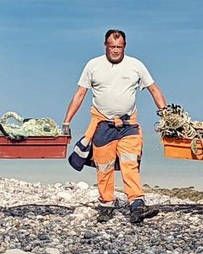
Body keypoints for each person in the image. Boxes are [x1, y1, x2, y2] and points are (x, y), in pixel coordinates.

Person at [62, 29, 169, 224]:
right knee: (104, 166)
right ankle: (106, 204)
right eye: (112, 47)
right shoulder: (93, 65)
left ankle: (137, 205)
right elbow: (80, 94)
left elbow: (154, 89)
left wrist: (167, 115)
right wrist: (66, 121)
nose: (115, 51)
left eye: (119, 47)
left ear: (125, 47)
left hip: (129, 124)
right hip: (102, 124)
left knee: (130, 163)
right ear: (105, 46)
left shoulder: (136, 65)